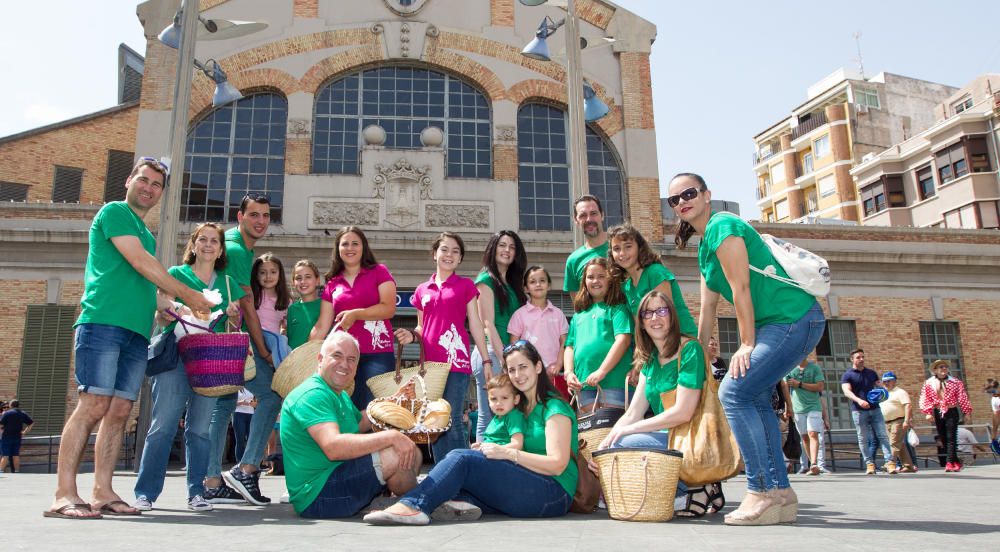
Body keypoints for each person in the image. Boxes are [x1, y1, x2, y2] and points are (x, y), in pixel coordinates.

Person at [46, 157, 214, 520]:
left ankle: (102, 491)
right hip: (103, 323)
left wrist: (171, 309)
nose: (149, 188)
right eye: (144, 180)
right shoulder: (114, 213)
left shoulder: (147, 233)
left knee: (120, 410)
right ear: (129, 181)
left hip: (137, 333)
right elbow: (140, 264)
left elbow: (145, 286)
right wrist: (189, 295)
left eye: (156, 185)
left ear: (161, 194)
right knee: (92, 404)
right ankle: (64, 493)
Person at [669, 172, 825, 526]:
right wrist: (698, 356)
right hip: (781, 324)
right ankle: (780, 493)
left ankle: (760, 491)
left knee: (735, 392)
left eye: (689, 193)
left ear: (707, 195)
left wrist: (747, 344)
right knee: (751, 397)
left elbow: (740, 289)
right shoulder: (706, 247)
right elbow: (708, 308)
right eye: (674, 200)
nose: (682, 202)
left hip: (794, 318)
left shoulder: (723, 225)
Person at [363, 340, 577, 525]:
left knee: (461, 458)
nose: (517, 375)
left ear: (538, 367)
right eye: (511, 370)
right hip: (530, 484)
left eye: (523, 367)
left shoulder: (554, 408)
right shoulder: (520, 409)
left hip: (553, 494)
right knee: (456, 482)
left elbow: (558, 464)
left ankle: (413, 505)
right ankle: (422, 503)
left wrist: (507, 453)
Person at [133, 222, 244, 512]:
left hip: (209, 361)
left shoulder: (227, 282)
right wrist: (173, 310)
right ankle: (145, 492)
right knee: (163, 425)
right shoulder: (176, 275)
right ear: (193, 245)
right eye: (203, 240)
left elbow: (230, 327)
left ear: (221, 249)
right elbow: (160, 310)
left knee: (199, 430)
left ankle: (197, 492)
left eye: (214, 241)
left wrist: (233, 315)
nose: (208, 245)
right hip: (175, 357)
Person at [599, 291, 723, 518]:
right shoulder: (650, 359)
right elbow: (633, 412)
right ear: (642, 323)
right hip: (669, 437)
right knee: (617, 443)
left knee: (628, 441)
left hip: (692, 437)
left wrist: (627, 432)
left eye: (661, 311)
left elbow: (683, 412)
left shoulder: (690, 350)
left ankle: (691, 489)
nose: (655, 318)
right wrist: (606, 444)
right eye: (648, 313)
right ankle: (687, 490)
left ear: (672, 316)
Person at [281, 331, 420, 518]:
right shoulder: (312, 394)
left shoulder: (339, 394)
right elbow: (334, 447)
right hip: (318, 497)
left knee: (413, 453)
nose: (344, 364)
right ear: (320, 359)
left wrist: (394, 402)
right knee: (396, 453)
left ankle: (401, 501)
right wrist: (392, 436)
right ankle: (422, 502)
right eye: (337, 356)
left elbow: (361, 422)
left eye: (351, 359)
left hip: (336, 477)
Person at [204, 193, 277, 506]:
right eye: (254, 215)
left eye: (265, 215)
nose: (260, 221)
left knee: (222, 407)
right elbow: (246, 305)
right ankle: (247, 468)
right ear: (240, 216)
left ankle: (210, 481)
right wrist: (263, 349)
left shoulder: (238, 246)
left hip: (216, 339)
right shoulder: (235, 248)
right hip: (229, 341)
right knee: (273, 393)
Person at [394, 232, 489, 461]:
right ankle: (441, 473)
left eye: (456, 251)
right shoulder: (421, 290)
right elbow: (421, 327)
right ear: (435, 253)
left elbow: (475, 324)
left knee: (453, 418)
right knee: (434, 420)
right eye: (445, 249)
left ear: (460, 259)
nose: (449, 255)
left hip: (456, 363)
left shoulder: (465, 286)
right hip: (429, 367)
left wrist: (485, 359)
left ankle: (463, 475)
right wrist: (411, 335)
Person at [310, 226, 397, 411]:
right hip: (343, 357)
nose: (350, 248)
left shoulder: (379, 272)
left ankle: (376, 441)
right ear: (338, 249)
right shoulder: (332, 282)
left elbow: (389, 308)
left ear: (363, 247)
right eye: (345, 244)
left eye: (355, 243)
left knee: (374, 410)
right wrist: (305, 352)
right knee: (348, 411)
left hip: (377, 354)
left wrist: (356, 314)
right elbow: (322, 325)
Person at [471, 231, 527, 442]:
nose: (507, 250)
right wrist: (504, 360)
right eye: (502, 245)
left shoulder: (512, 283)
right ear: (493, 249)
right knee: (488, 415)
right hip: (492, 353)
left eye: (512, 247)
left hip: (505, 354)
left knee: (504, 413)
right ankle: (482, 463)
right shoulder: (486, 280)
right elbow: (487, 324)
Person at [563, 257, 633, 409]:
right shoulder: (578, 315)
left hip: (614, 382)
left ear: (610, 280)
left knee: (611, 429)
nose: (595, 281)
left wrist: (602, 371)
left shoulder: (617, 309)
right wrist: (568, 373)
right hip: (584, 385)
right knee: (590, 432)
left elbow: (623, 340)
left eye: (601, 276)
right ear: (584, 282)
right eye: (590, 277)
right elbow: (569, 346)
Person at [607, 222, 697, 335]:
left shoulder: (655, 273)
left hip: (681, 343)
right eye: (616, 248)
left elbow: (666, 319)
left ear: (639, 247)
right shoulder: (627, 286)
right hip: (654, 348)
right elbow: (640, 328)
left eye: (628, 246)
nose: (622, 253)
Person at [508, 266, 569, 400]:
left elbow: (564, 342)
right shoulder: (519, 314)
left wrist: (558, 364)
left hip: (553, 373)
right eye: (532, 281)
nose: (538, 284)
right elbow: (514, 345)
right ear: (526, 288)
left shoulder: (558, 314)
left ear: (549, 285)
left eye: (542, 280)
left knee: (553, 406)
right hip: (528, 374)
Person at [840, 349, 894, 475]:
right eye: (858, 357)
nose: (861, 359)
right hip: (858, 411)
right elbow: (846, 391)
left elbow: (879, 385)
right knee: (863, 438)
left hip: (875, 409)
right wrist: (859, 401)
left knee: (882, 435)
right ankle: (869, 464)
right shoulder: (847, 375)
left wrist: (883, 390)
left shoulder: (871, 373)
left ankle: (890, 463)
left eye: (863, 357)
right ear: (852, 359)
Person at [919, 360, 973, 472]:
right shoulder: (929, 383)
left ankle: (949, 462)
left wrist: (966, 412)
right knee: (943, 437)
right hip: (938, 411)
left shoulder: (955, 382)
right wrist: (928, 412)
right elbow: (925, 398)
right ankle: (956, 461)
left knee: (951, 437)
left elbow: (962, 397)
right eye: (940, 367)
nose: (943, 369)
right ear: (935, 370)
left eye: (945, 367)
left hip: (951, 410)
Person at [785, 358, 825, 475]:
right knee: (804, 437)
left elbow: (820, 387)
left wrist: (800, 384)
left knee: (812, 433)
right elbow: (785, 388)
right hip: (798, 409)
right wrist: (788, 407)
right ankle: (811, 464)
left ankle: (813, 463)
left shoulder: (814, 368)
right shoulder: (790, 369)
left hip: (814, 407)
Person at [563, 194, 609, 293]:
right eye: (583, 215)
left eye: (593, 213)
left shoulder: (621, 248)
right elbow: (578, 304)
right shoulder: (573, 261)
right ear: (576, 220)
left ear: (602, 215)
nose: (589, 219)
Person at [472, 373, 526, 450]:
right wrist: (481, 445)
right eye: (494, 399)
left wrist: (494, 449)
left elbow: (517, 445)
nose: (498, 403)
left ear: (516, 399)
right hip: (492, 456)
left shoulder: (513, 416)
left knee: (458, 455)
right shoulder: (496, 418)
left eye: (504, 398)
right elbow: (493, 441)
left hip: (505, 458)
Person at [878, 371, 916, 473]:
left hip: (898, 420)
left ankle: (890, 463)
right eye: (884, 381)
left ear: (894, 381)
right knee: (900, 444)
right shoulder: (882, 393)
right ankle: (908, 466)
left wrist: (907, 420)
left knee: (893, 443)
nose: (886, 383)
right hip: (886, 422)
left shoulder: (900, 392)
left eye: (889, 381)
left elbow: (908, 406)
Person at [286, 260, 323, 350]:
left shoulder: (325, 306)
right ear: (293, 282)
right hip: (294, 359)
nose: (303, 281)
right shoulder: (292, 309)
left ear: (317, 280)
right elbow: (290, 338)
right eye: (298, 278)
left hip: (316, 359)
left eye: (308, 277)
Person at [0, 400, 33, 473]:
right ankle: (17, 471)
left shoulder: (6, 413)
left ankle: (1, 470)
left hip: (6, 436)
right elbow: (31, 423)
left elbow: (1, 424)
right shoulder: (22, 413)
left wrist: (2, 430)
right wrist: (24, 432)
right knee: (16, 454)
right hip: (17, 436)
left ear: (11, 405)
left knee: (5, 455)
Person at [233, 388, 255, 462]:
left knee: (251, 440)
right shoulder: (236, 387)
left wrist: (254, 404)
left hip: (251, 414)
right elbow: (230, 403)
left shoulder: (253, 386)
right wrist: (241, 402)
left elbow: (257, 402)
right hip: (238, 414)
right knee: (240, 440)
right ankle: (239, 463)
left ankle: (250, 462)